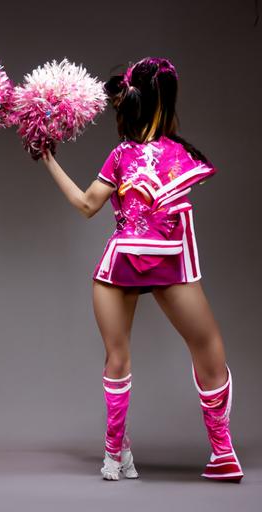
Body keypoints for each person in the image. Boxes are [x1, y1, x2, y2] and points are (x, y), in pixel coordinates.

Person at [40, 57, 243, 482]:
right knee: (147, 354)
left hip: (152, 262)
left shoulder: (147, 154)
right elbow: (87, 206)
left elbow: (84, 205)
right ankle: (118, 452)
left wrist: (48, 160)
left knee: (183, 349)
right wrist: (49, 158)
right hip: (132, 262)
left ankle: (219, 452)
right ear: (164, 102)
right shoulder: (164, 154)